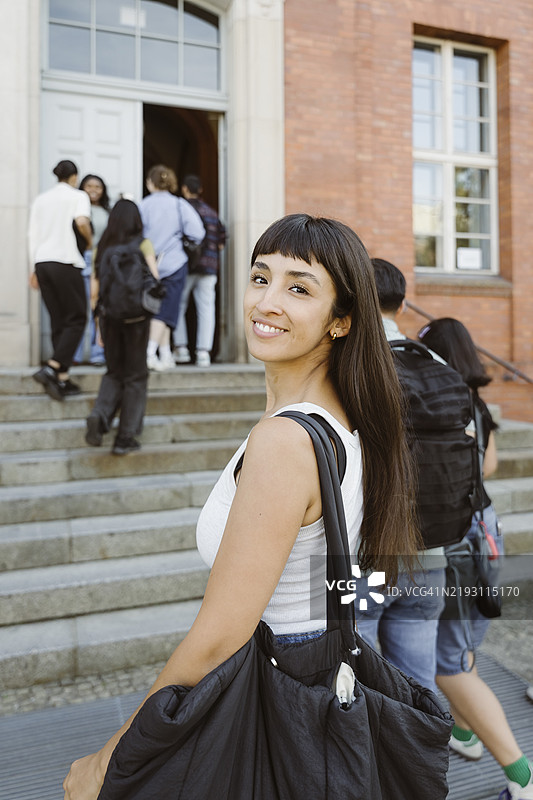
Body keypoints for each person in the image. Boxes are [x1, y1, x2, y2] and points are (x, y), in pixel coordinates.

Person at [63, 213, 420, 799]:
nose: (267, 301)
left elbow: (219, 635)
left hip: (273, 689)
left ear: (341, 321)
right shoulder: (346, 422)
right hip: (315, 676)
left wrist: (111, 757)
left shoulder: (286, 441)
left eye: (299, 287)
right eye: (261, 277)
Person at [418, 317, 533, 800]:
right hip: (485, 531)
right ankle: (464, 736)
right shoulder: (475, 401)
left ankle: (521, 776)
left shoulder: (440, 401)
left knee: (448, 663)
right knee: (459, 651)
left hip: (463, 539)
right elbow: (489, 465)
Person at [352, 257, 448, 693]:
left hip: (366, 557)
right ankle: (424, 760)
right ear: (404, 304)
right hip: (430, 551)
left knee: (363, 687)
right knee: (419, 690)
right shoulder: (434, 362)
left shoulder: (352, 364)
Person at [84, 199, 158, 456]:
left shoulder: (102, 248)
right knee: (136, 376)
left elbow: (95, 292)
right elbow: (154, 281)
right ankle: (125, 437)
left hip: (110, 318)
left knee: (114, 372)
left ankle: (100, 415)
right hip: (137, 320)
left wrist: (98, 327)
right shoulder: (143, 244)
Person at [28, 159, 92, 401]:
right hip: (66, 260)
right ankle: (53, 367)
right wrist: (90, 240)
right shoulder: (78, 196)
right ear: (74, 176)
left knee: (59, 319)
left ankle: (61, 379)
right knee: (77, 318)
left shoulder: (41, 200)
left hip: (42, 262)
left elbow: (32, 235)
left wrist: (32, 267)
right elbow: (82, 222)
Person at [139, 165, 204, 372]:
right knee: (167, 311)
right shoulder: (179, 204)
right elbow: (198, 232)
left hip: (150, 264)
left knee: (157, 310)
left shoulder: (144, 205)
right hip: (175, 262)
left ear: (150, 182)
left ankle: (164, 355)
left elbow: (137, 234)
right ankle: (150, 353)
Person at [173, 174, 226, 366]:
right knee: (206, 309)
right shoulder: (211, 212)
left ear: (184, 189)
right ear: (201, 190)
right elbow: (221, 240)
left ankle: (181, 349)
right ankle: (204, 352)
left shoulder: (181, 209)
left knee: (178, 307)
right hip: (210, 267)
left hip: (186, 266)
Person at [73, 174, 111, 366]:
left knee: (99, 309)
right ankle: (76, 355)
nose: (93, 189)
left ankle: (98, 353)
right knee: (81, 308)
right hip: (82, 260)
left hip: (102, 262)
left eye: (98, 186)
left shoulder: (107, 212)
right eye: (89, 186)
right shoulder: (78, 209)